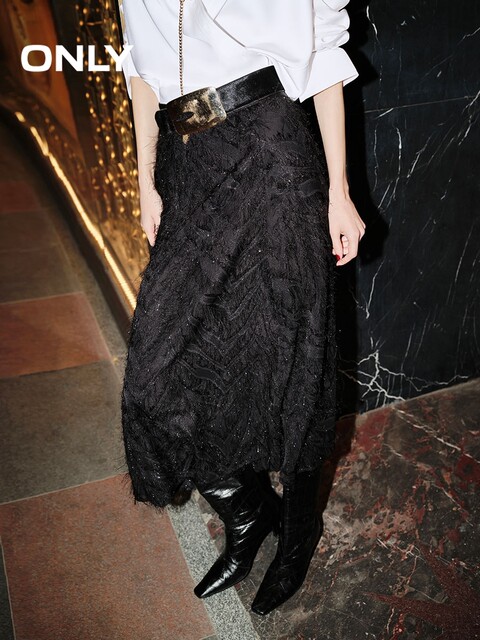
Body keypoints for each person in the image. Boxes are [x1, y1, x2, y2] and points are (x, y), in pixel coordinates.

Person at [119, 0, 365, 616]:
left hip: (270, 155)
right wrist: (146, 180)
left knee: (293, 356)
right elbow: (141, 70)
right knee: (154, 378)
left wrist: (338, 194)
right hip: (187, 168)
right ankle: (250, 512)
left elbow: (323, 59)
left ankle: (299, 531)